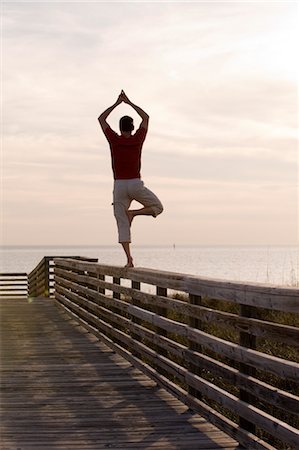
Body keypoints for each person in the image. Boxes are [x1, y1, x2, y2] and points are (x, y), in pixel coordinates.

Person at [98, 91, 163, 268]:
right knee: (158, 207)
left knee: (121, 223)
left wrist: (117, 103)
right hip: (135, 183)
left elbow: (101, 119)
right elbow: (146, 117)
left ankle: (129, 259)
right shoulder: (137, 139)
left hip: (119, 185)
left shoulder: (114, 140)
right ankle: (134, 213)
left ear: (120, 128)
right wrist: (129, 102)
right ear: (132, 128)